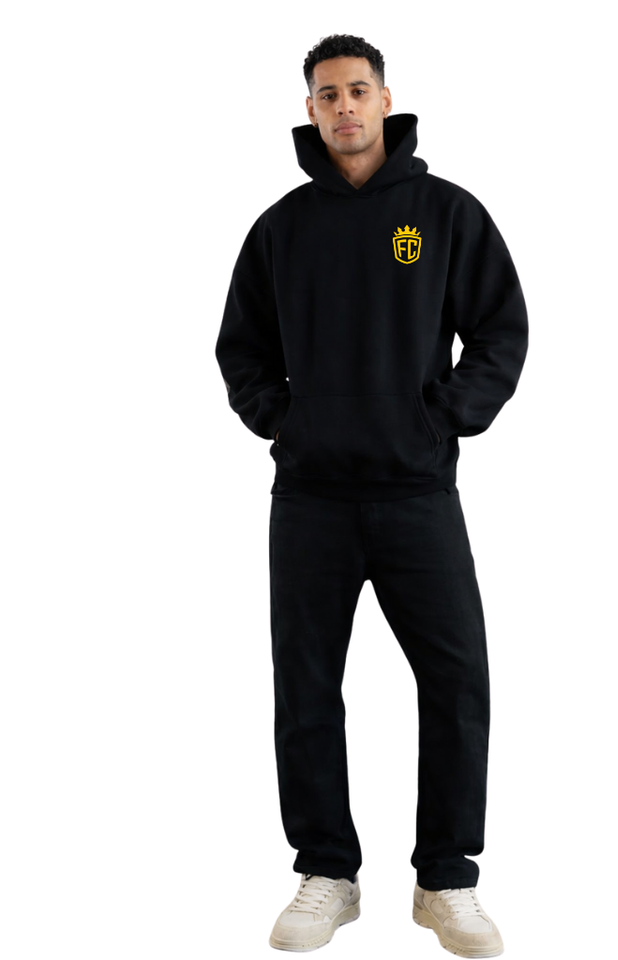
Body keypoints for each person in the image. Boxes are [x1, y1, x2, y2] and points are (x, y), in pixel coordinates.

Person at [215, 33, 528, 956]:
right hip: (310, 499)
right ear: (310, 110)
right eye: (327, 94)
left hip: (418, 493)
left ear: (386, 100)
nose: (344, 106)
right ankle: (328, 872)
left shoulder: (443, 213)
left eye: (358, 90)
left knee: (457, 680)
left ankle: (447, 880)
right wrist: (285, 422)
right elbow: (241, 347)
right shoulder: (281, 228)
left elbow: (501, 330)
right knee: (307, 685)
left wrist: (444, 418)